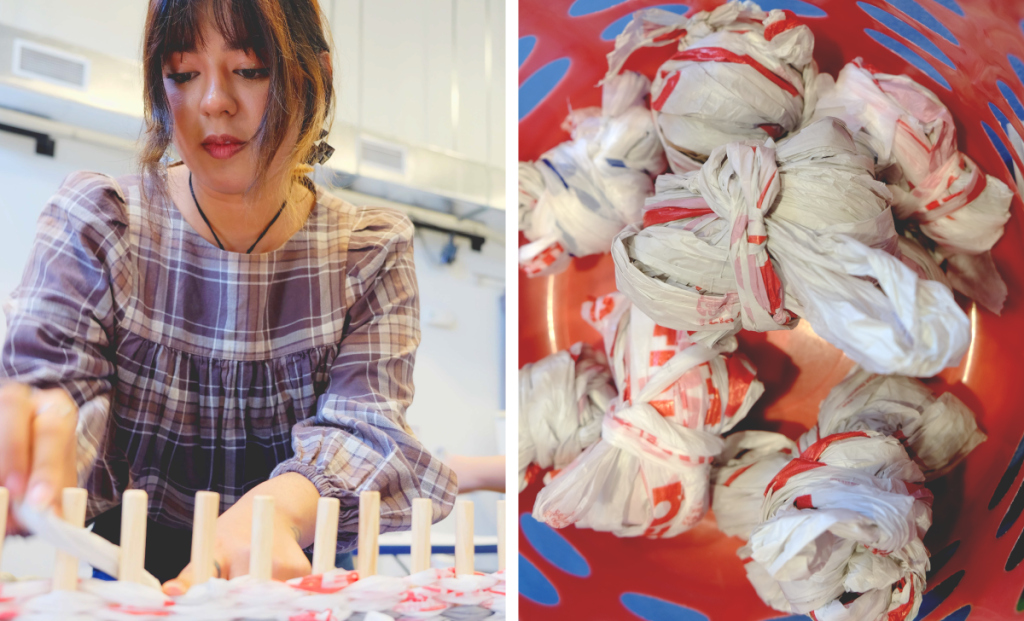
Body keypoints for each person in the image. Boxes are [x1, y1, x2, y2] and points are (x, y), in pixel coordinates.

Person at [0, 0, 456, 593]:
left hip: (294, 572)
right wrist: (38, 451)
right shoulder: (100, 223)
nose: (213, 101)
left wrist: (276, 510)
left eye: (249, 69)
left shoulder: (366, 252)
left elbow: (365, 426)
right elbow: (54, 391)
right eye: (183, 73)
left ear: (315, 77)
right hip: (130, 583)